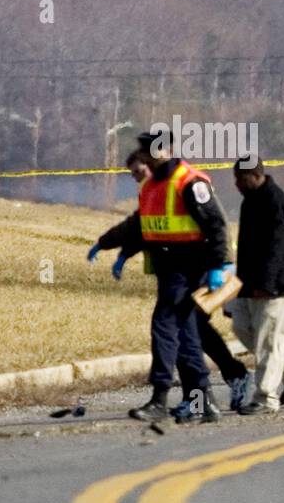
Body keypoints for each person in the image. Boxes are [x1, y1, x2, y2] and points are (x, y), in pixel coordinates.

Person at [92, 151, 251, 416]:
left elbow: (216, 223)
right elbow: (142, 225)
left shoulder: (184, 183)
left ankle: (201, 390)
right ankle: (204, 398)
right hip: (176, 272)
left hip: (199, 268)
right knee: (189, 333)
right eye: (132, 173)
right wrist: (116, 248)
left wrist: (219, 265)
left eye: (139, 170)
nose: (137, 177)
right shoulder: (153, 188)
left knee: (176, 330)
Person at [226, 154, 284, 415]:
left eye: (241, 178)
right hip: (249, 283)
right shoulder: (249, 201)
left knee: (267, 342)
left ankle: (265, 398)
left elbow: (277, 247)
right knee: (242, 328)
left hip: (274, 286)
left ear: (256, 175)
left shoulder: (275, 202)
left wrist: (267, 284)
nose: (236, 184)